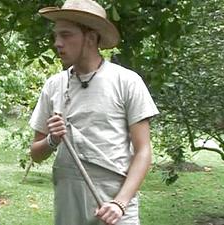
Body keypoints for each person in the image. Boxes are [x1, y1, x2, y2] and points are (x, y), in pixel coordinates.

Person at [29, 0, 159, 225]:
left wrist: (120, 203)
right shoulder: (54, 85)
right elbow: (35, 153)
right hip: (69, 202)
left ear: (90, 37)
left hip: (115, 206)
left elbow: (143, 151)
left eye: (66, 35)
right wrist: (52, 140)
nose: (58, 43)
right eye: (56, 35)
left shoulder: (126, 81)